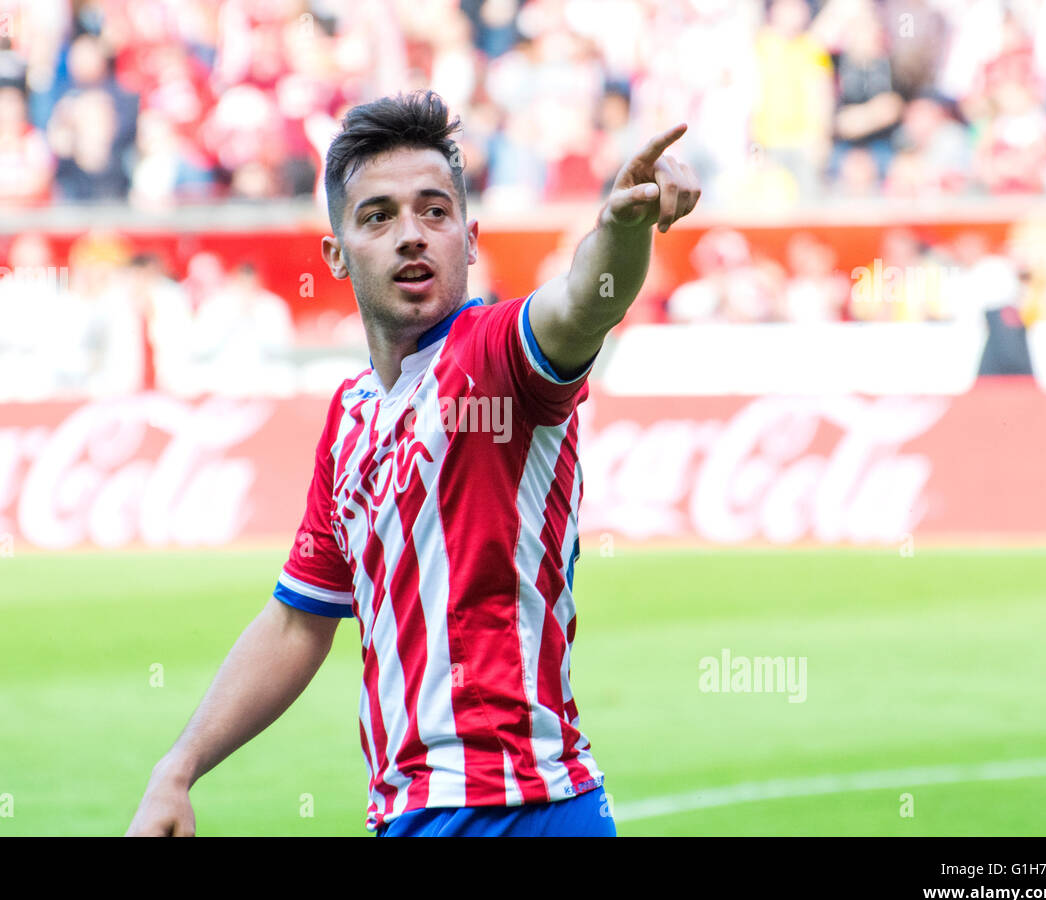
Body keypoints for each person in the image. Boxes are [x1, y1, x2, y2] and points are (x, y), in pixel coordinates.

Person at [125, 90, 700, 838]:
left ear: (469, 235)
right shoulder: (350, 418)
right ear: (336, 253)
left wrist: (620, 229)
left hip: (531, 807)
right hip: (409, 813)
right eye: (378, 216)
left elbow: (586, 303)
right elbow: (300, 620)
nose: (412, 235)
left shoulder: (498, 355)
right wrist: (178, 767)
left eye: (435, 211)